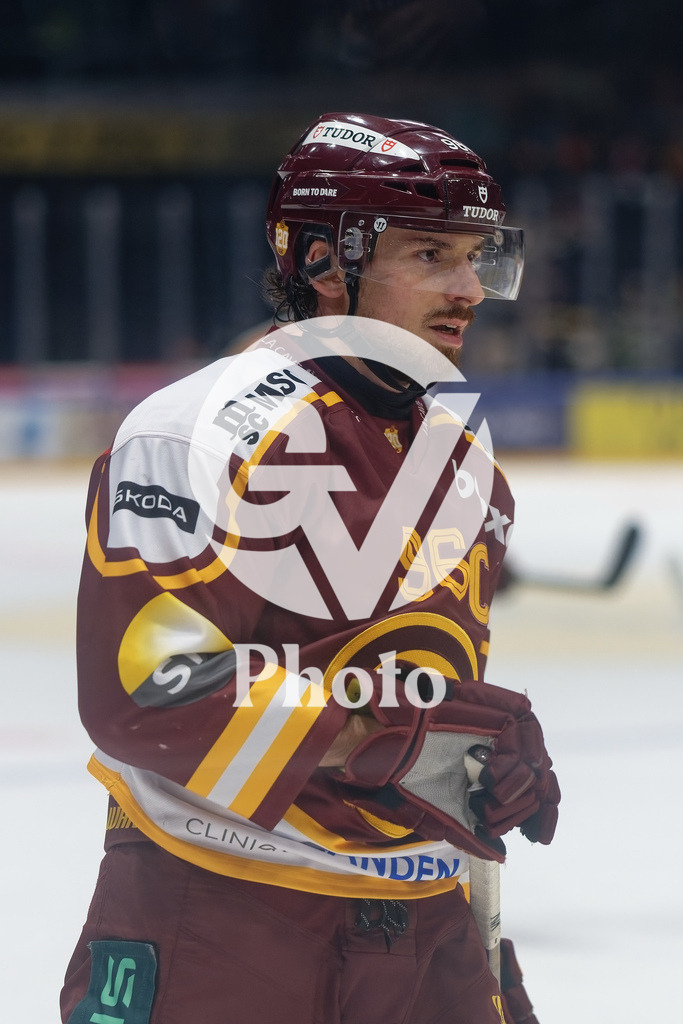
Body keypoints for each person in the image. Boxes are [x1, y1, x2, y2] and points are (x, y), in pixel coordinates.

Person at [61, 112, 559, 1024]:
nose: (469, 290)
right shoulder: (198, 430)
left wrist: (473, 811)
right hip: (220, 921)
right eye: (429, 255)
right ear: (324, 264)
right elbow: (147, 685)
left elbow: (418, 702)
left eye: (478, 257)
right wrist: (390, 738)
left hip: (418, 933)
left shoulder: (462, 463)